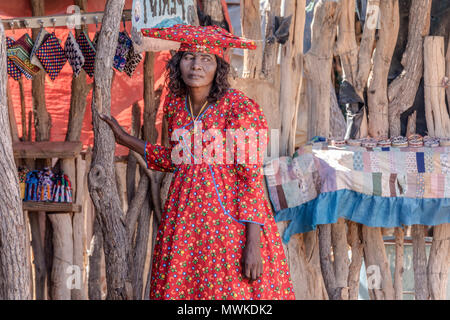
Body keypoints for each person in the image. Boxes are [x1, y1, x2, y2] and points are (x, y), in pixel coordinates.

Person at [100, 24, 295, 300]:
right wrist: (125, 139)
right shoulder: (176, 107)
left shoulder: (239, 108)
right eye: (189, 57)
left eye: (207, 59)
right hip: (185, 228)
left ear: (219, 67)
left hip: (229, 228)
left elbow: (250, 178)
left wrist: (253, 244)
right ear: (178, 64)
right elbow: (179, 160)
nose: (197, 65)